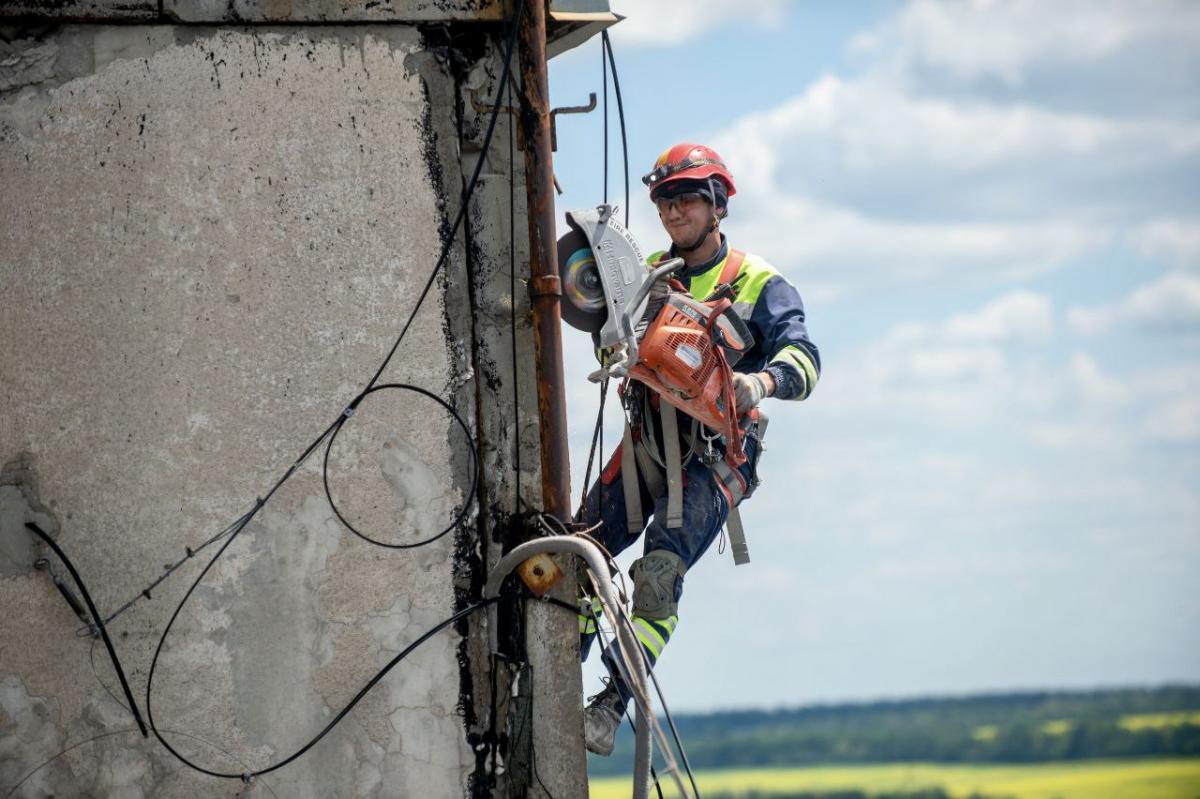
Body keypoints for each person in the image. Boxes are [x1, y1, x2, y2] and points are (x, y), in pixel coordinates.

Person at [577, 143, 822, 755]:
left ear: (716, 205)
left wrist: (757, 382)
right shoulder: (650, 273)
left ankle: (612, 701)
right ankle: (555, 669)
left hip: (712, 461)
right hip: (646, 447)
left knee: (657, 578)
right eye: (663, 200)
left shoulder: (758, 282)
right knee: (577, 555)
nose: (671, 211)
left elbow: (806, 359)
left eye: (684, 198)